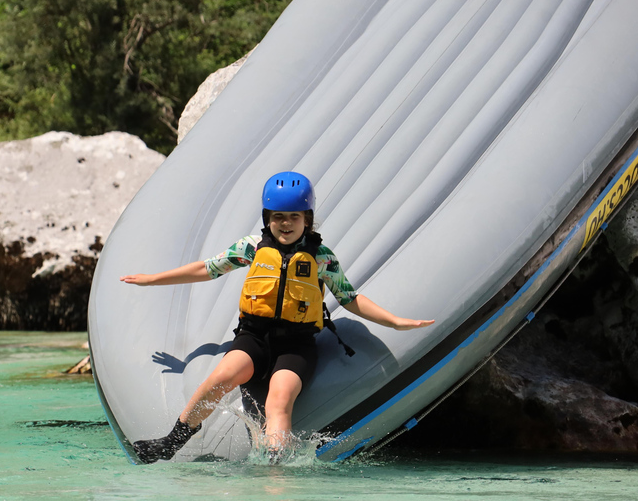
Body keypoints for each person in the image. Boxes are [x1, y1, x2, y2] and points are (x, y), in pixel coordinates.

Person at [120, 171, 434, 463]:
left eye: (294, 217)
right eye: (278, 217)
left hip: (296, 348)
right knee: (220, 378)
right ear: (267, 218)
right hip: (253, 338)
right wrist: (153, 279)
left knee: (278, 400)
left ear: (307, 220)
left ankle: (275, 473)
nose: (285, 224)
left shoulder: (321, 257)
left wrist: (394, 321)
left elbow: (349, 299)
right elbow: (207, 268)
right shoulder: (252, 248)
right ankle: (172, 441)